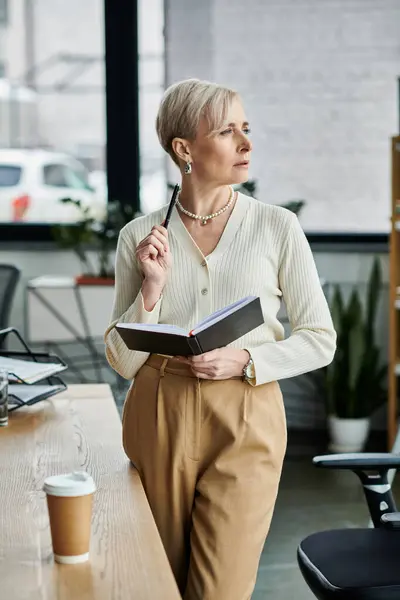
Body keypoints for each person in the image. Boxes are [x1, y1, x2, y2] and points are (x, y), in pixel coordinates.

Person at [104, 78, 336, 600]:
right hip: (158, 411)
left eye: (246, 129)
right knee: (157, 582)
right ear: (184, 149)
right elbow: (120, 360)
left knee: (219, 591)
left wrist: (246, 358)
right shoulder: (139, 237)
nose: (246, 144)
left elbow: (321, 339)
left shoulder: (278, 227)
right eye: (229, 132)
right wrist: (152, 289)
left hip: (247, 415)